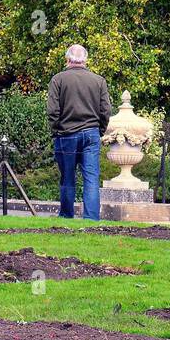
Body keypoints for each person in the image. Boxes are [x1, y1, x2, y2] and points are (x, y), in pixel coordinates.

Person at [46, 44, 113, 221]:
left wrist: (56, 130)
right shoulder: (99, 81)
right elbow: (105, 110)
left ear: (68, 60)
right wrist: (100, 130)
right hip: (91, 133)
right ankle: (91, 218)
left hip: (66, 134)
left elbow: (53, 110)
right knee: (91, 177)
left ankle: (67, 215)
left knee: (67, 177)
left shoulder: (58, 79)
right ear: (85, 60)